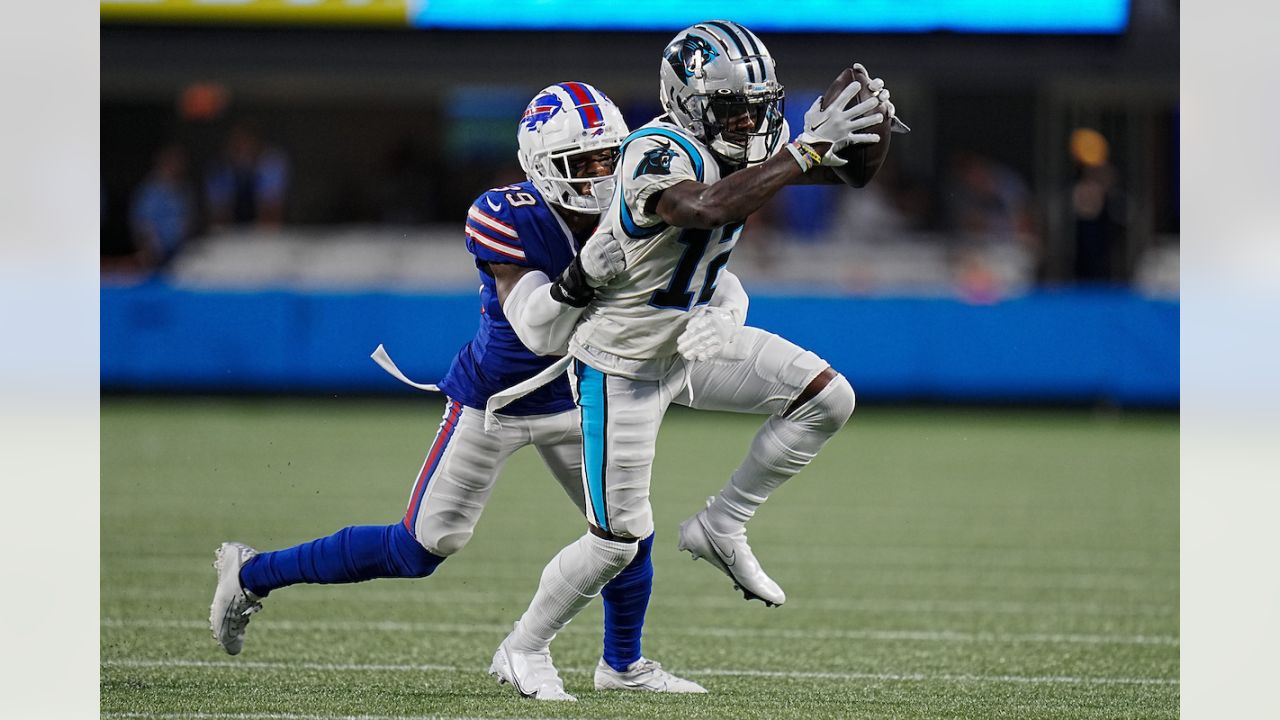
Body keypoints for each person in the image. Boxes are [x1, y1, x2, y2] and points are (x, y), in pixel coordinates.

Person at [209, 82, 704, 699]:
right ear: (543, 167)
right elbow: (538, 327)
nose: (602, 175)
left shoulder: (639, 204)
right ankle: (252, 572)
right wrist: (584, 275)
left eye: (610, 158)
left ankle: (622, 665)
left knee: (627, 532)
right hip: (493, 403)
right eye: (586, 162)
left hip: (578, 399)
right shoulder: (508, 212)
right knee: (420, 548)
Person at [485, 20, 900, 698]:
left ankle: (722, 522)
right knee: (615, 542)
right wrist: (802, 149)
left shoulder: (755, 148)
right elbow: (705, 206)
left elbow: (849, 174)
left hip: (687, 342)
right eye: (732, 108)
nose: (749, 121)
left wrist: (862, 128)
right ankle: (523, 647)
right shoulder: (656, 148)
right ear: (686, 102)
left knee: (827, 397)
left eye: (759, 107)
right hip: (618, 361)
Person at [205, 123, 289, 228]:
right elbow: (219, 213)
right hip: (233, 229)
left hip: (263, 230)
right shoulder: (220, 168)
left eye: (247, 144)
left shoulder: (272, 163)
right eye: (237, 147)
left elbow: (271, 210)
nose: (243, 150)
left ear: (258, 145)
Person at [128, 143, 196, 270]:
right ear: (164, 163)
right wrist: (150, 249)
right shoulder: (150, 191)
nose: (177, 166)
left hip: (180, 254)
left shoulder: (184, 189)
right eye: (173, 162)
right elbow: (143, 225)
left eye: (180, 163)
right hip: (156, 254)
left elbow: (187, 219)